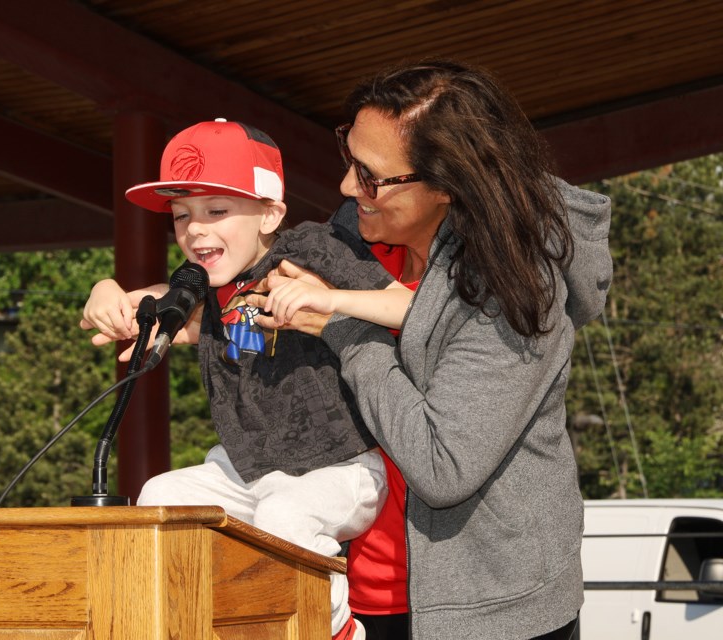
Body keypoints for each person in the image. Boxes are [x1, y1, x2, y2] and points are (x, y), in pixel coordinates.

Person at [248, 60, 611, 640]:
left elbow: (444, 468)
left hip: (483, 613)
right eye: (349, 157)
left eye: (371, 176)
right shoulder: (351, 243)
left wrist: (343, 328)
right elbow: (248, 275)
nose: (346, 187)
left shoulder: (515, 289)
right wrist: (148, 297)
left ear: (447, 184)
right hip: (355, 596)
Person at [81, 118, 419, 639]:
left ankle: (336, 631)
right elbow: (139, 305)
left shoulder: (311, 251)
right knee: (158, 496)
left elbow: (411, 306)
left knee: (287, 513)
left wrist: (329, 300)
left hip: (341, 465)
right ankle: (196, 622)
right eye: (181, 216)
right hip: (250, 466)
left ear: (270, 213)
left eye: (217, 211)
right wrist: (106, 291)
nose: (195, 230)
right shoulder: (212, 287)